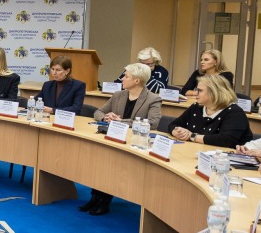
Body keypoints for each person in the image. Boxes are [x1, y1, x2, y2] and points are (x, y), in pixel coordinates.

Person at [83, 62, 165, 215]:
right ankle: (95, 197)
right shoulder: (118, 95)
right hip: (112, 138)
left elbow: (153, 123)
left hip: (134, 142)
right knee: (102, 163)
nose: (122, 79)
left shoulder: (153, 99)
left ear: (137, 80)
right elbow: (98, 112)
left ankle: (104, 201)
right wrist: (106, 117)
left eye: (126, 76)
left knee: (113, 165)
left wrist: (121, 122)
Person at [168, 74, 252, 148]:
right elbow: (173, 124)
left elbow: (226, 140)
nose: (195, 93)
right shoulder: (196, 107)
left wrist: (192, 136)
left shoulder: (234, 112)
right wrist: (177, 132)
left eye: (200, 90)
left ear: (214, 92)